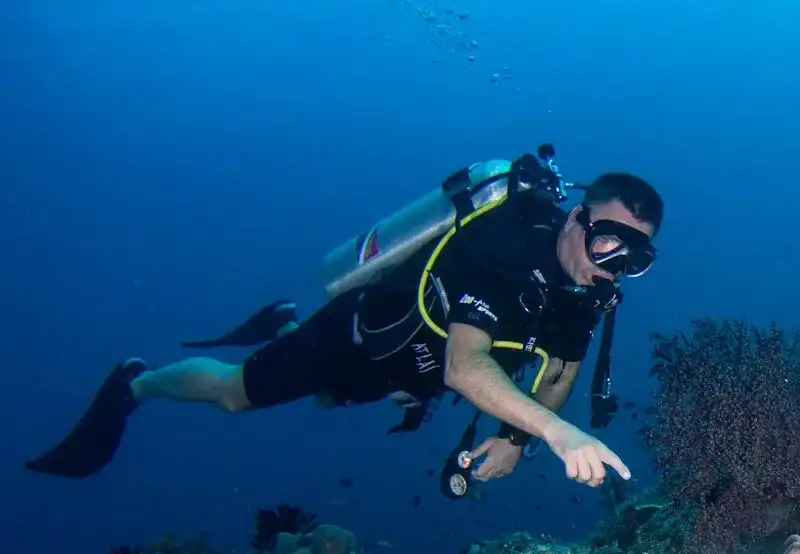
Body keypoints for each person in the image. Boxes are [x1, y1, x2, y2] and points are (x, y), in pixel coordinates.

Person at [25, 163, 663, 489]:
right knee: (234, 394)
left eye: (635, 259)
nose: (614, 266)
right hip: (364, 334)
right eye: (608, 243)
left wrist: (515, 440)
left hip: (409, 368)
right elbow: (465, 366)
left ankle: (282, 326)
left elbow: (561, 366)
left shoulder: (588, 292)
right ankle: (136, 383)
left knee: (331, 399)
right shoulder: (502, 249)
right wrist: (554, 432)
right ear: (578, 219)